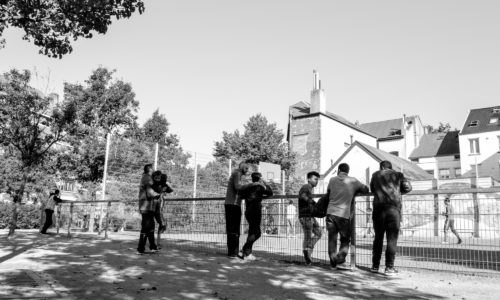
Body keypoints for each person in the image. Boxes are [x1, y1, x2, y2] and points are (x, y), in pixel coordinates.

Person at [370, 160, 412, 276]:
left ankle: (375, 266)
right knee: (392, 239)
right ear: (390, 167)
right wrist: (399, 192)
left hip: (378, 209)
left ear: (382, 167)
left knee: (378, 238)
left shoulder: (375, 175)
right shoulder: (398, 175)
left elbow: (372, 189)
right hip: (393, 209)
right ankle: (389, 267)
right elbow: (408, 187)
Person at [325, 163, 369, 270]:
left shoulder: (332, 180)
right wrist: (355, 190)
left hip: (330, 213)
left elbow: (328, 192)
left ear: (339, 169)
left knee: (332, 239)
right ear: (348, 171)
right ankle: (340, 259)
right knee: (345, 239)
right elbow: (366, 189)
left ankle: (333, 264)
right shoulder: (353, 181)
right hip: (343, 215)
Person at [225, 162, 262, 258]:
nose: (247, 170)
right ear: (241, 167)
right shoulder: (237, 173)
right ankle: (233, 253)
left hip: (235, 204)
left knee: (235, 230)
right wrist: (251, 185)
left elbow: (241, 190)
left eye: (248, 168)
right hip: (232, 204)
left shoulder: (240, 175)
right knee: (233, 229)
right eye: (246, 168)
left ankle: (234, 252)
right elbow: (237, 187)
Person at [239, 172, 273, 260]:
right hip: (255, 211)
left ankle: (247, 253)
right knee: (256, 233)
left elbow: (241, 194)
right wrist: (266, 183)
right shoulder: (260, 187)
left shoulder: (248, 187)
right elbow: (270, 193)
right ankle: (244, 251)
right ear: (260, 178)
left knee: (252, 232)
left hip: (248, 211)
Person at [298, 171, 323, 265]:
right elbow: (302, 195)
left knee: (319, 232)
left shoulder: (310, 188)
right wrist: (312, 202)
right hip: (305, 216)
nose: (317, 181)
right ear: (309, 179)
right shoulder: (306, 186)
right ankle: (307, 258)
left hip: (310, 216)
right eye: (315, 179)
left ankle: (308, 253)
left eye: (317, 179)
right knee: (308, 237)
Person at [137, 164, 161, 254]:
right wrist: (158, 194)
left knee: (150, 226)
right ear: (150, 169)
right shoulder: (147, 178)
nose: (154, 169)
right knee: (146, 227)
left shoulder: (146, 177)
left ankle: (152, 247)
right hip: (146, 206)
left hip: (148, 206)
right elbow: (150, 191)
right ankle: (140, 248)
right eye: (153, 168)